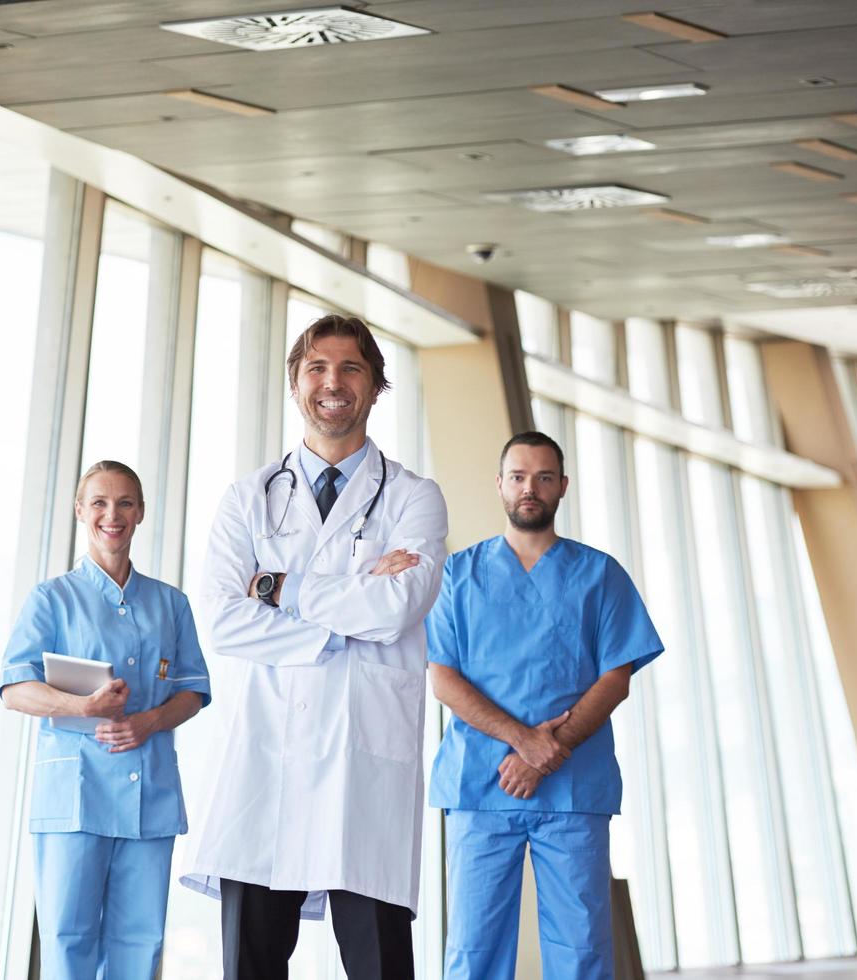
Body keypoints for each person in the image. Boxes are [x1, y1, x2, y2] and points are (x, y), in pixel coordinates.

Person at [181, 314, 448, 980]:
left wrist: (279, 587)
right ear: (296, 382)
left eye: (351, 368)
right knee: (251, 965)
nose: (333, 383)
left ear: (376, 386)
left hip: (364, 759)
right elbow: (223, 621)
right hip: (264, 758)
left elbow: (396, 609)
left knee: (378, 963)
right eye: (317, 369)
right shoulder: (247, 499)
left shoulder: (414, 498)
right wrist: (346, 610)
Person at [427, 431, 663, 980]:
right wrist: (525, 741)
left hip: (573, 787)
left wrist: (546, 749)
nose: (529, 488)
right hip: (480, 787)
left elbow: (617, 676)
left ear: (562, 487)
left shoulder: (600, 575)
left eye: (543, 477)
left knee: (581, 947)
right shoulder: (458, 575)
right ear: (500, 485)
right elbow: (443, 677)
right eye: (518, 476)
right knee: (473, 948)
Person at [0, 460, 211, 980]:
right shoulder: (52, 599)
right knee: (68, 941)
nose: (111, 514)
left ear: (140, 513)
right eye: (98, 502)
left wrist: (150, 722)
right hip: (76, 794)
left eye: (124, 503)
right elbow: (13, 689)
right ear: (79, 511)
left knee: (141, 944)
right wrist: (83, 707)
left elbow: (195, 690)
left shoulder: (171, 603)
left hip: (150, 798)